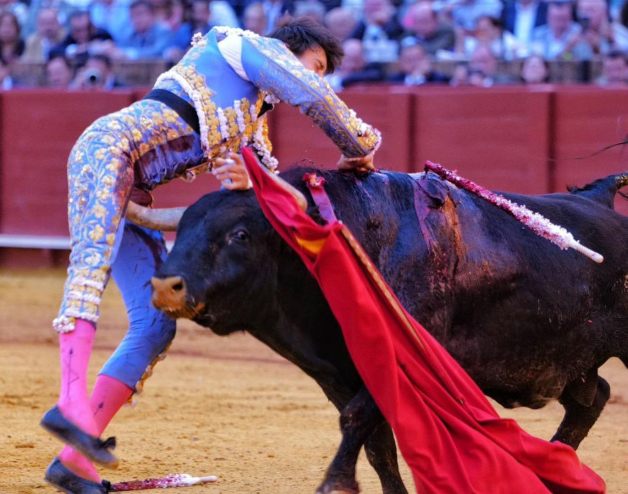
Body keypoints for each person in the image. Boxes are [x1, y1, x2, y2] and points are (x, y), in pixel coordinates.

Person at [39, 18, 381, 494]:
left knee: (156, 324)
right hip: (106, 150)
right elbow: (312, 95)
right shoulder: (239, 44)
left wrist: (253, 184)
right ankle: (70, 403)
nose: (318, 76)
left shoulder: (253, 126)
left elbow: (271, 198)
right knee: (89, 270)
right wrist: (362, 146)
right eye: (316, 65)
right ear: (289, 50)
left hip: (135, 194)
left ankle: (74, 458)